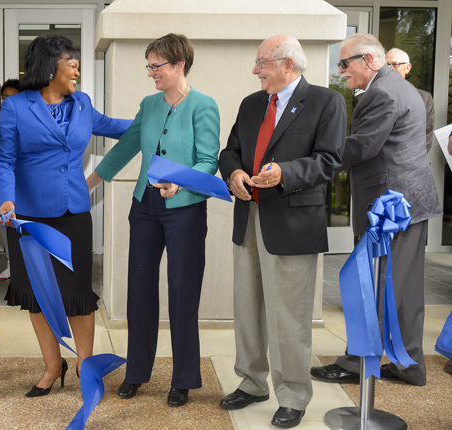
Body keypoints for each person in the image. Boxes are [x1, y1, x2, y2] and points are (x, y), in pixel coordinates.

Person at [217, 35, 345, 428]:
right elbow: (230, 151)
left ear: (287, 64)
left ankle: (292, 395)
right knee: (248, 308)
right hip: (249, 217)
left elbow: (330, 160)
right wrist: (233, 173)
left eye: (262, 63)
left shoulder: (326, 101)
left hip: (292, 224)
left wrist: (285, 173)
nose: (255, 70)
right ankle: (252, 382)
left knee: (288, 316)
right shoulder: (251, 103)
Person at [0, 35, 130, 398]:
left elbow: (117, 127)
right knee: (37, 294)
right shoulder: (15, 107)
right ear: (51, 65)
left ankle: (86, 365)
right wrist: (6, 200)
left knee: (78, 294)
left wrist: (161, 118)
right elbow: (3, 159)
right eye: (73, 64)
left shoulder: (82, 104)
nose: (77, 72)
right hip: (28, 217)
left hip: (74, 214)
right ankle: (53, 366)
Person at [87, 33, 219, 408]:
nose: (151, 73)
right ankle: (136, 372)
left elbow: (209, 160)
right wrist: (88, 185)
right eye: (148, 66)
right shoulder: (148, 104)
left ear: (179, 65)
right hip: (145, 206)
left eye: (156, 66)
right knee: (140, 290)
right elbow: (127, 147)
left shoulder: (203, 105)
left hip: (185, 209)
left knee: (182, 293)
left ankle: (184, 379)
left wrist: (181, 182)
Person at [311, 33, 442, 387]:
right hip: (409, 203)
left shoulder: (381, 92)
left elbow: (362, 147)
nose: (341, 71)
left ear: (369, 60)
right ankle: (408, 365)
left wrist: (313, 157)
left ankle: (357, 363)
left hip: (390, 207)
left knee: (370, 286)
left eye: (345, 63)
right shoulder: (401, 88)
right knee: (403, 290)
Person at [385, 48, 434, 153]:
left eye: (395, 64)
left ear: (408, 68)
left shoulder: (424, 98)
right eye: (386, 65)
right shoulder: (364, 98)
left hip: (413, 160)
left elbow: (426, 136)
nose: (389, 69)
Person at [0, 78, 21, 281]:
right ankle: (11, 264)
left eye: (13, 97)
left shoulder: (26, 117)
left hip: (23, 182)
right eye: (5, 96)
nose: (8, 100)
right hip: (3, 181)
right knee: (7, 224)